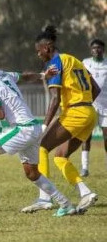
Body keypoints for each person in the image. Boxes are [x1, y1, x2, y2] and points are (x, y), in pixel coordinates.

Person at [0, 52, 76, 217]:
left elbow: (0, 114)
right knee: (32, 173)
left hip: (22, 128)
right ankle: (66, 204)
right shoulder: (3, 74)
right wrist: (43, 75)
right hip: (34, 127)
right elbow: (25, 76)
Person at [21, 26, 100, 214]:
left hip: (75, 113)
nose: (38, 55)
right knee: (60, 156)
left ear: (47, 47)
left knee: (41, 146)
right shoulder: (74, 60)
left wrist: (44, 125)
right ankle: (86, 192)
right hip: (89, 112)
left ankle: (44, 198)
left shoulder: (55, 63)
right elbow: (95, 89)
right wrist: (83, 103)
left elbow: (55, 99)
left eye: (39, 51)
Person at [80, 39, 107, 177]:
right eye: (94, 48)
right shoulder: (85, 63)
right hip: (90, 105)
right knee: (86, 137)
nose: (96, 50)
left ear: (103, 49)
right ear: (91, 50)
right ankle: (84, 167)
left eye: (99, 47)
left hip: (106, 107)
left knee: (106, 138)